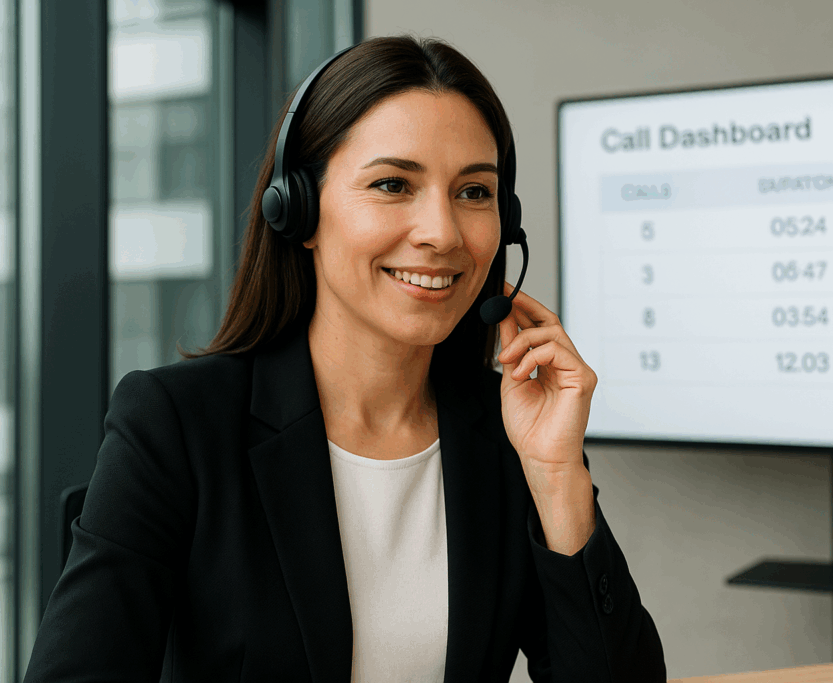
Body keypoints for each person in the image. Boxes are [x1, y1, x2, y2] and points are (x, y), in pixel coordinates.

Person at [24, 35, 667, 682]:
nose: (442, 233)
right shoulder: (176, 424)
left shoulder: (509, 434)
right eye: (393, 184)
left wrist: (556, 475)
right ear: (297, 209)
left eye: (474, 192)